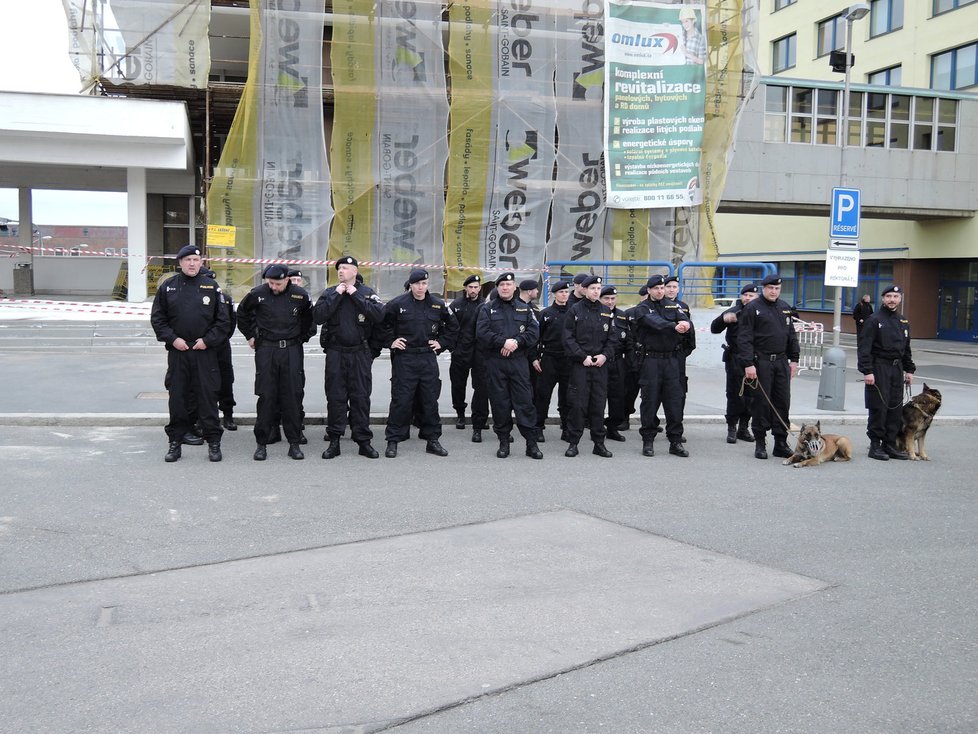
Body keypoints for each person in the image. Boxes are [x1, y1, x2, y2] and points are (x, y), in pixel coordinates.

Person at [151, 245, 230, 463]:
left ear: (201, 262)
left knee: (207, 398)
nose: (192, 264)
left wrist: (207, 341)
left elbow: (222, 321)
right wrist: (173, 339)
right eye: (187, 260)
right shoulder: (168, 287)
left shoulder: (211, 287)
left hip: (204, 352)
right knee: (178, 399)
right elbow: (158, 319)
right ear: (180, 263)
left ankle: (213, 442)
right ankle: (175, 443)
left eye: (196, 259)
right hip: (179, 352)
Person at [236, 263, 313, 461]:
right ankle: (261, 444)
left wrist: (300, 339)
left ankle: (294, 443)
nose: (273, 287)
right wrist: (250, 336)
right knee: (266, 396)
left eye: (277, 283)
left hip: (291, 350)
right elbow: (242, 314)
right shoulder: (258, 293)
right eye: (270, 283)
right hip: (267, 349)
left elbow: (309, 320)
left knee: (292, 397)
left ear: (287, 279)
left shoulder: (300, 295)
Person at [313, 255, 386, 459]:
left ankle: (363, 441)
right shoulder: (330, 293)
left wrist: (355, 295)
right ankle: (334, 440)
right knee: (335, 397)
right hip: (336, 353)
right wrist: (336, 295)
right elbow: (318, 316)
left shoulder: (367, 293)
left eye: (345, 268)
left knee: (360, 397)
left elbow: (380, 316)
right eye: (339, 268)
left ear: (355, 271)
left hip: (359, 354)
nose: (341, 271)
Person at [381, 268, 459, 458]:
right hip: (405, 358)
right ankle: (393, 440)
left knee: (430, 399)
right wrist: (390, 341)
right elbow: (380, 324)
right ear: (411, 285)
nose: (421, 287)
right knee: (401, 399)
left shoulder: (436, 304)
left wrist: (441, 343)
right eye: (417, 284)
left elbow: (453, 327)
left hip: (427, 358)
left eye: (424, 283)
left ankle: (432, 439)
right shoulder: (398, 303)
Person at [476, 271, 543, 459]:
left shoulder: (525, 309)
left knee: (525, 403)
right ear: (497, 288)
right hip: (495, 363)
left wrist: (516, 342)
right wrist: (502, 342)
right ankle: (504, 442)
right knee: (500, 404)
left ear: (515, 287)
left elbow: (533, 333)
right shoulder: (486, 309)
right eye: (502, 285)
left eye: (509, 284)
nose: (505, 288)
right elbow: (482, 333)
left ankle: (531, 444)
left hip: (518, 363)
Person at [735, 273, 800, 460]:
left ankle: (780, 443)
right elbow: (744, 338)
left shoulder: (785, 308)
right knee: (761, 404)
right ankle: (760, 443)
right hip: (761, 362)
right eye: (770, 288)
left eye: (777, 288)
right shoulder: (753, 308)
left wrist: (794, 360)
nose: (774, 291)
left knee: (782, 403)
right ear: (763, 288)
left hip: (781, 362)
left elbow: (791, 336)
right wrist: (748, 364)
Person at [630, 274, 691, 458]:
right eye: (656, 288)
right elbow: (654, 323)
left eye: (662, 288)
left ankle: (675, 441)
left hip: (671, 360)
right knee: (650, 400)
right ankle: (648, 440)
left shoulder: (673, 305)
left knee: (674, 400)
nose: (660, 291)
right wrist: (674, 326)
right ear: (649, 290)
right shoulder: (643, 308)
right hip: (651, 361)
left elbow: (685, 320)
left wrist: (685, 325)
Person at [562, 275, 618, 457]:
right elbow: (568, 337)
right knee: (578, 405)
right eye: (592, 288)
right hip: (581, 365)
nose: (596, 291)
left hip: (600, 365)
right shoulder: (575, 310)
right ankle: (573, 442)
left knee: (598, 404)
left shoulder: (606, 311)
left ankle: (599, 443)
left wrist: (604, 356)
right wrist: (581, 356)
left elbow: (612, 338)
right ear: (585, 290)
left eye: (598, 288)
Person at [857, 285, 915, 461]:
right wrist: (867, 371)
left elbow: (906, 349)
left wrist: (909, 369)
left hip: (896, 369)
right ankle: (875, 445)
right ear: (883, 299)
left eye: (895, 296)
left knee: (895, 407)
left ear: (900, 299)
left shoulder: (903, 321)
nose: (892, 299)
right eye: (888, 296)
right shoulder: (874, 320)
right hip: (878, 368)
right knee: (878, 406)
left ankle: (889, 444)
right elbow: (864, 347)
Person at [710, 283, 758, 444]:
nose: (748, 298)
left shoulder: (760, 311)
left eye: (751, 296)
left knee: (751, 396)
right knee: (734, 394)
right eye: (745, 295)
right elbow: (714, 328)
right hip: (735, 358)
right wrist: (724, 319)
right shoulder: (734, 310)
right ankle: (732, 427)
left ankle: (743, 428)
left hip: (755, 359)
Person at [449, 274, 490, 441]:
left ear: (480, 288)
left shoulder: (486, 305)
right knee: (458, 384)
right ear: (465, 288)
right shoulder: (456, 305)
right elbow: (450, 328)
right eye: (470, 287)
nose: (473, 290)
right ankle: (460, 414)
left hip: (480, 352)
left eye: (476, 287)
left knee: (481, 386)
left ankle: (479, 417)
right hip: (461, 352)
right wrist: (453, 348)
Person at [532, 279, 572, 443]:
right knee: (543, 395)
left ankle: (567, 428)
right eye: (561, 292)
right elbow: (535, 337)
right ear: (555, 294)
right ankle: (538, 427)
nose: (564, 295)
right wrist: (534, 357)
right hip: (548, 358)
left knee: (567, 396)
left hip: (568, 359)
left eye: (566, 292)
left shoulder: (573, 312)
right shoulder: (546, 313)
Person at [600, 284, 631, 442]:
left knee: (617, 398)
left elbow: (628, 341)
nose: (610, 301)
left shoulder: (621, 316)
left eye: (613, 298)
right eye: (606, 298)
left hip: (618, 362)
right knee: (598, 398)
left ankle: (612, 428)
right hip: (600, 362)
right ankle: (597, 429)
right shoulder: (595, 314)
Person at [664, 275, 696, 425]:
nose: (671, 290)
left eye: (674, 287)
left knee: (679, 392)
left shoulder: (683, 306)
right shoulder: (655, 306)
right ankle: (653, 423)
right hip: (659, 356)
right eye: (668, 286)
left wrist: (684, 352)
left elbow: (690, 332)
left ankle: (676, 423)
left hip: (677, 356)